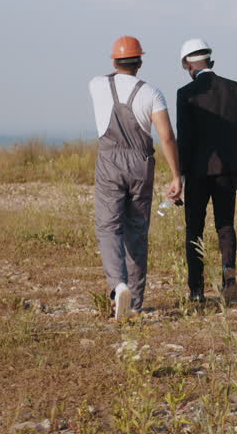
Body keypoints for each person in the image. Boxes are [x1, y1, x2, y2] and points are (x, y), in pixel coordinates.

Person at [88, 36, 181, 319]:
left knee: (109, 228)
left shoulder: (97, 85)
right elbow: (166, 136)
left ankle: (118, 287)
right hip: (141, 164)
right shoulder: (153, 93)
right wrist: (177, 176)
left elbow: (108, 80)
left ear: (115, 61)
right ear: (140, 62)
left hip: (110, 162)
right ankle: (136, 303)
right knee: (137, 233)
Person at [172, 38, 237, 302]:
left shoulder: (185, 94)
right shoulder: (234, 88)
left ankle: (196, 290)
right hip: (228, 170)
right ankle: (228, 271)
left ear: (187, 65)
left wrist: (180, 176)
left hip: (197, 171)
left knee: (194, 228)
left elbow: (183, 138)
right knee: (225, 224)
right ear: (211, 61)